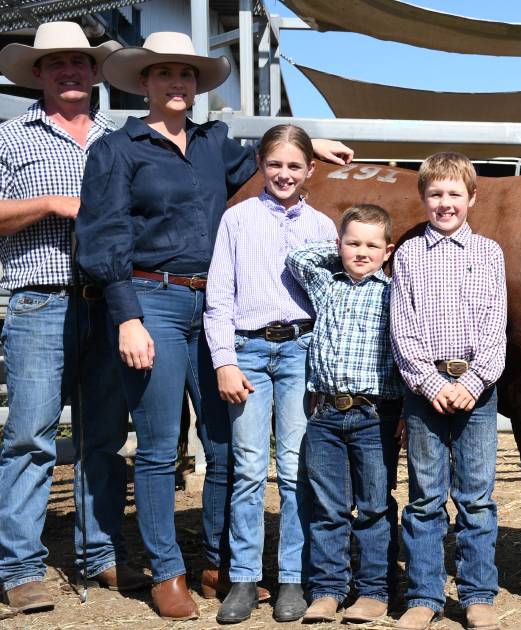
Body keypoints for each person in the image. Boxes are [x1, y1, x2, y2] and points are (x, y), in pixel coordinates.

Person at [75, 31, 352, 620]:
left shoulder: (213, 144)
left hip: (221, 307)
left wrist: (314, 142)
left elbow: (273, 157)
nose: (177, 84)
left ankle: (221, 558)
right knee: (156, 445)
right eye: (164, 74)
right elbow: (102, 234)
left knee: (227, 446)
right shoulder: (117, 150)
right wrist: (125, 315)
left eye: (186, 75)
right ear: (143, 82)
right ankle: (166, 569)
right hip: (154, 298)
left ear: (197, 86)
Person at [0, 21, 149, 615]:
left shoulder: (122, 139)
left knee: (104, 436)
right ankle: (20, 566)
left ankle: (98, 553)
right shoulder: (10, 138)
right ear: (37, 73)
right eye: (57, 63)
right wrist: (53, 204)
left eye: (80, 62)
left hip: (107, 301)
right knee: (31, 436)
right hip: (41, 297)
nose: (70, 71)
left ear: (95, 73)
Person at [202, 124, 337, 623]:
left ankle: (292, 578)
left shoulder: (323, 227)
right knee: (251, 467)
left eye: (294, 166)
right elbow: (218, 299)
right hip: (250, 352)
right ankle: (243, 577)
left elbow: (330, 304)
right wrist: (225, 361)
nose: (284, 174)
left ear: (310, 171)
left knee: (299, 466)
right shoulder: (237, 220)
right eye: (275, 164)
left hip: (301, 350)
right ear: (260, 163)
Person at [391, 152, 507, 630]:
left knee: (476, 497)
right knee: (425, 497)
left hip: (476, 392)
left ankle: (478, 594)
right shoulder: (408, 254)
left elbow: (495, 324)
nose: (444, 203)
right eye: (435, 194)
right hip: (425, 391)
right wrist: (431, 382)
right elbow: (403, 326)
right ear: (422, 198)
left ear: (472, 198)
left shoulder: (489, 254)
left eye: (454, 194)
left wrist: (474, 381)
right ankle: (423, 594)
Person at [286, 205, 403, 624]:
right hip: (326, 417)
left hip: (373, 415)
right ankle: (329, 589)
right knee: (328, 507)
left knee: (373, 505)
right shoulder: (325, 283)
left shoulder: (393, 293)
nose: (361, 252)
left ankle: (373, 590)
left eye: (372, 245)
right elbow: (297, 258)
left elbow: (403, 354)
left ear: (388, 251)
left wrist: (405, 409)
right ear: (338, 246)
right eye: (352, 243)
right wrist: (338, 251)